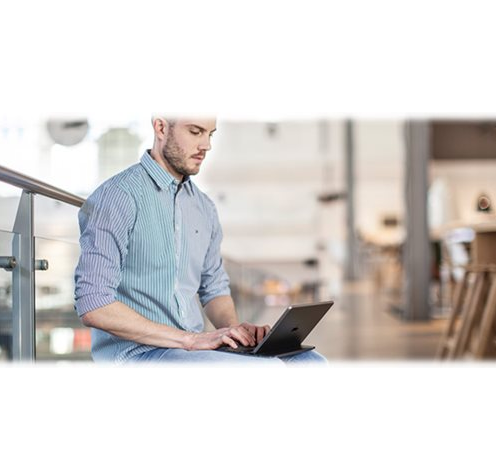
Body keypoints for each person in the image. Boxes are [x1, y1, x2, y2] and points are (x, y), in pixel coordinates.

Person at [74, 117, 326, 365]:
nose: (206, 145)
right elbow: (94, 304)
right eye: (195, 132)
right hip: (138, 354)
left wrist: (237, 334)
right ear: (161, 127)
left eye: (210, 134)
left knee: (310, 363)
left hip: (191, 349)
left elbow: (214, 289)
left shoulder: (204, 207)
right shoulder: (117, 196)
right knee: (264, 370)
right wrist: (190, 340)